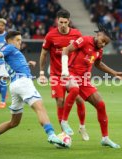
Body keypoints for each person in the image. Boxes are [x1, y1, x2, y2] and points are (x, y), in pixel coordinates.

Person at [0, 30, 68, 148]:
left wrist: (28, 64)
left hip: (15, 86)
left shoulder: (14, 52)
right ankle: (52, 135)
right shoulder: (9, 48)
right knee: (40, 108)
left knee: (14, 122)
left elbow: (16, 65)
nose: (20, 42)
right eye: (17, 40)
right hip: (23, 83)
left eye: (21, 40)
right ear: (9, 41)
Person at [60, 24, 122, 148]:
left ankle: (105, 138)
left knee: (101, 105)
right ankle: (64, 122)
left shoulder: (99, 50)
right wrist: (65, 71)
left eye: (106, 43)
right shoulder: (84, 40)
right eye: (103, 41)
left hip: (85, 81)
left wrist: (114, 73)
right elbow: (66, 50)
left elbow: (98, 64)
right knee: (74, 89)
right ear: (98, 35)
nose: (103, 45)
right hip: (71, 74)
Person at [38, 9, 89, 140]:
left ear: (69, 21)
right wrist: (42, 73)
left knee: (79, 98)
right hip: (56, 74)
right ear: (57, 21)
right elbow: (43, 54)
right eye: (60, 22)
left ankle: (82, 127)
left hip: (72, 73)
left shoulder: (77, 34)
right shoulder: (50, 36)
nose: (62, 25)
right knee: (60, 101)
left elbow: (83, 52)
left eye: (65, 22)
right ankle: (64, 133)